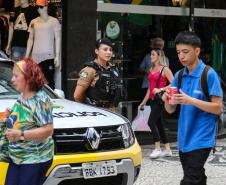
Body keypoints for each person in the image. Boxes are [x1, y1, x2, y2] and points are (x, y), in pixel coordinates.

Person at [162, 31, 222, 185]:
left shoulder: (209, 74)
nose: (181, 56)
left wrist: (191, 100)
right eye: (178, 52)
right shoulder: (179, 75)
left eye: (185, 52)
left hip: (202, 138)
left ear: (197, 51)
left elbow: (217, 108)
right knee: (197, 177)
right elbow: (170, 110)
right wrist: (166, 98)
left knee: (189, 180)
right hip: (184, 138)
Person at [3, 58, 54, 185]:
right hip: (18, 158)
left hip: (34, 159)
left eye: (16, 75)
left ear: (28, 77)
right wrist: (11, 116)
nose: (12, 79)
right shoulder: (23, 96)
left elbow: (48, 130)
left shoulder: (40, 100)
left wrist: (20, 135)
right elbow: (28, 121)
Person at [140, 48, 174, 159]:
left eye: (153, 54)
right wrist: (144, 101)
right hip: (152, 100)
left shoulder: (165, 69)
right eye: (151, 54)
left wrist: (161, 89)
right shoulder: (151, 69)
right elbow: (150, 87)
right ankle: (168, 149)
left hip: (160, 100)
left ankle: (158, 148)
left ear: (159, 56)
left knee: (150, 122)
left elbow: (174, 83)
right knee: (159, 125)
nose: (151, 56)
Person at [74, 38, 121, 111]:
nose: (109, 52)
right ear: (97, 51)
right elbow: (77, 96)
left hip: (112, 112)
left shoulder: (114, 70)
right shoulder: (90, 70)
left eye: (110, 50)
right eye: (105, 49)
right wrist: (87, 108)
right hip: (95, 112)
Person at [25, 0, 61, 89]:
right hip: (35, 57)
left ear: (46, 7)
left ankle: (51, 101)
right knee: (35, 82)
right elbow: (30, 39)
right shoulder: (33, 22)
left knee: (49, 82)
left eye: (41, 7)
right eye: (37, 7)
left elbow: (58, 38)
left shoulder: (54, 21)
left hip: (48, 56)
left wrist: (57, 56)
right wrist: (26, 56)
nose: (39, 9)